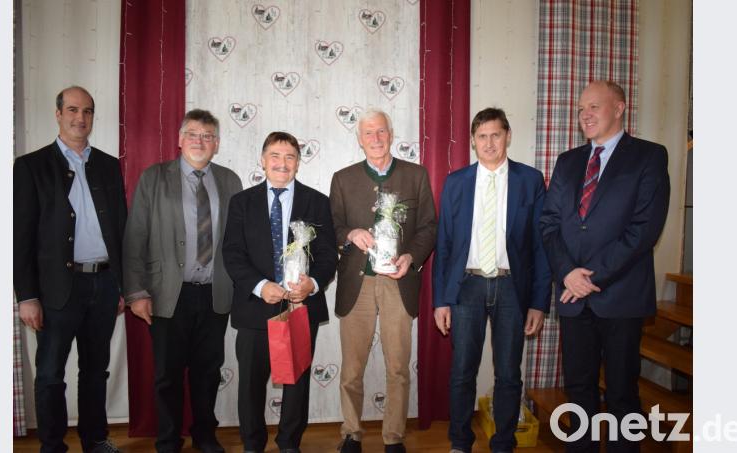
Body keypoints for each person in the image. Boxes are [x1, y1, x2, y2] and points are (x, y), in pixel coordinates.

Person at [540, 80, 670, 452]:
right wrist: (567, 272)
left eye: (595, 107)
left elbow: (644, 229)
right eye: (582, 108)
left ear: (620, 107)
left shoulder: (648, 156)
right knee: (578, 389)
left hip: (621, 295)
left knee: (621, 394)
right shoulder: (568, 162)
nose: (585, 114)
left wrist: (588, 277)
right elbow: (549, 224)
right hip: (571, 295)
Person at [14, 86, 126, 453]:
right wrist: (27, 296)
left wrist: (124, 285)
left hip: (105, 284)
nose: (81, 118)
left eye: (88, 111)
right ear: (58, 113)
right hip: (57, 288)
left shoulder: (109, 165)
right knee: (49, 375)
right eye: (74, 110)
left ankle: (95, 440)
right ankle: (52, 446)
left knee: (96, 372)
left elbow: (122, 228)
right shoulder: (32, 166)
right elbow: (21, 237)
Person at [432, 107, 551, 453]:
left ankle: (503, 444)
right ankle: (460, 442)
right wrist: (441, 299)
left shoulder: (530, 181)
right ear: (473, 141)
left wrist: (538, 302)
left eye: (495, 135)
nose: (489, 142)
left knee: (509, 374)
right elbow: (444, 245)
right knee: (462, 372)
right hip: (466, 287)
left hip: (513, 288)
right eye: (481, 136)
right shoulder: (456, 183)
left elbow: (540, 247)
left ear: (508, 136)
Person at [123, 109, 242, 453]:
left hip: (215, 295)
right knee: (168, 375)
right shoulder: (154, 178)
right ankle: (168, 439)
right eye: (193, 134)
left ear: (216, 144)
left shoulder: (230, 181)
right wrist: (136, 291)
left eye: (207, 136)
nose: (200, 141)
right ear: (179, 140)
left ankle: (205, 435)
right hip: (165, 294)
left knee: (208, 372)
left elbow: (239, 241)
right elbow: (135, 238)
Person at [222, 131, 338, 453]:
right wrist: (261, 287)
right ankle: (252, 445)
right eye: (275, 155)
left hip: (301, 307)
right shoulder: (241, 203)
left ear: (298, 163)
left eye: (289, 157)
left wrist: (312, 284)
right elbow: (232, 253)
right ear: (263, 160)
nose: (282, 163)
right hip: (254, 306)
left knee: (296, 384)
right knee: (250, 387)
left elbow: (328, 255)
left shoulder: (317, 202)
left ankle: (289, 444)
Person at [329, 109, 437, 453]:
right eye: (368, 133)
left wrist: (412, 257)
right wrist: (350, 233)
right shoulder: (342, 179)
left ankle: (394, 437)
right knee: (352, 369)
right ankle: (351, 433)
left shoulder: (415, 175)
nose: (376, 138)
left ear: (391, 135)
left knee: (398, 366)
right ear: (359, 139)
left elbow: (429, 228)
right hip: (356, 284)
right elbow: (332, 229)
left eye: (381, 131)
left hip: (397, 282)